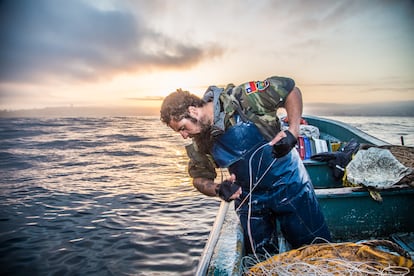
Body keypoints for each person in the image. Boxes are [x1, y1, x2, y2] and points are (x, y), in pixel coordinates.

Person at [160, 76, 331, 255]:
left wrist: (293, 131)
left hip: (289, 184)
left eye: (182, 128)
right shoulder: (201, 141)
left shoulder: (244, 98)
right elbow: (199, 178)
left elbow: (290, 90)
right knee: (260, 260)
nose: (184, 136)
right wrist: (218, 189)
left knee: (315, 249)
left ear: (193, 111)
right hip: (251, 200)